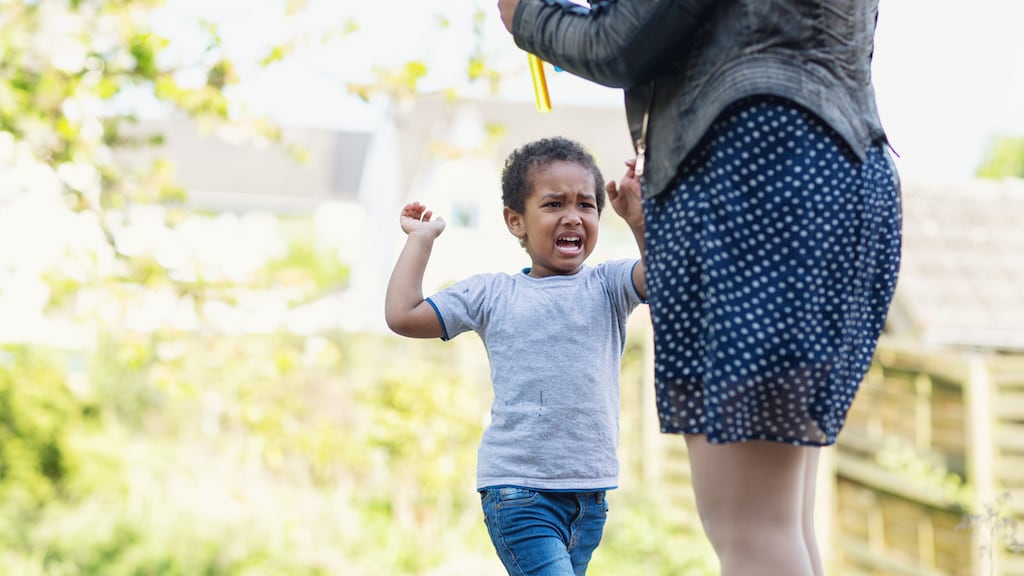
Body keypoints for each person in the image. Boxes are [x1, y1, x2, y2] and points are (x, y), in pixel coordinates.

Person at [496, 2, 902, 576]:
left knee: (751, 528)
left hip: (752, 175)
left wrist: (525, 16)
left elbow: (619, 41)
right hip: (840, 168)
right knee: (783, 520)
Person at [384, 136, 647, 576]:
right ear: (515, 221)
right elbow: (403, 315)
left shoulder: (609, 285)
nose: (573, 217)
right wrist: (421, 240)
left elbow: (666, 276)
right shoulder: (493, 293)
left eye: (586, 205)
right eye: (553, 204)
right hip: (521, 493)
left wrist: (640, 221)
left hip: (590, 496)